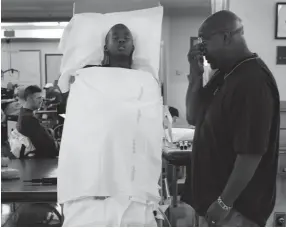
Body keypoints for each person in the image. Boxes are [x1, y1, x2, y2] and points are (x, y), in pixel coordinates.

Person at [183, 10, 280, 227]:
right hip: (213, 203)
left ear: (226, 37)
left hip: (236, 210)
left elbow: (251, 153)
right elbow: (192, 116)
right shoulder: (224, 74)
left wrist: (224, 203)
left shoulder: (253, 81)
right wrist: (195, 74)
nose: (201, 49)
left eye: (204, 42)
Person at [59, 24, 159, 227]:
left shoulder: (147, 82)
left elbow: (149, 129)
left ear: (133, 46)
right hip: (90, 186)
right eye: (115, 37)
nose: (121, 40)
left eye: (126, 37)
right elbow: (78, 128)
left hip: (133, 188)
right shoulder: (86, 79)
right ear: (105, 47)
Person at [16, 85, 58, 158]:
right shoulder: (29, 119)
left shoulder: (23, 113)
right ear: (29, 99)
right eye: (38, 98)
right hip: (45, 160)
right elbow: (47, 147)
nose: (41, 100)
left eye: (41, 98)